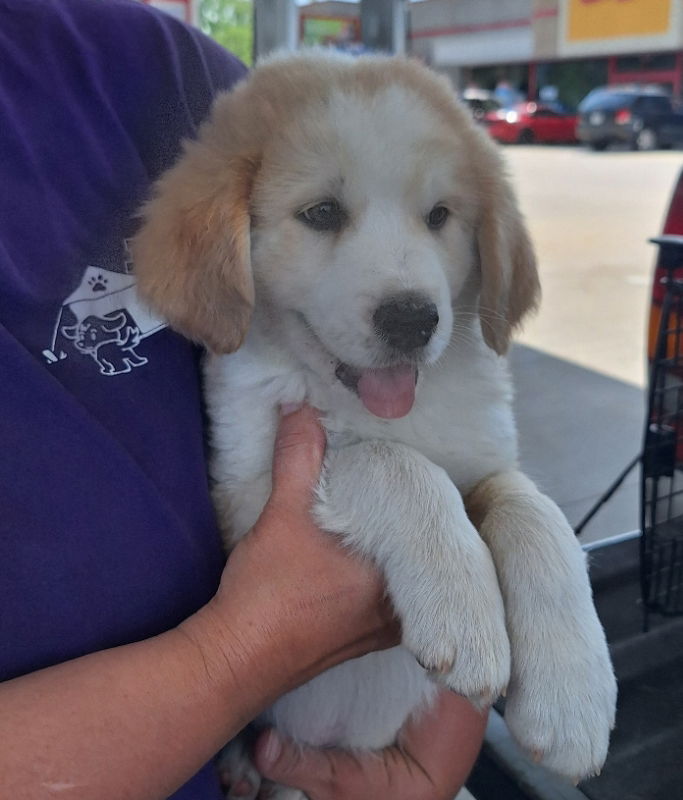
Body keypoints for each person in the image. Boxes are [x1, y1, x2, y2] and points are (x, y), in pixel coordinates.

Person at [0, 1, 488, 797]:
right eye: (322, 215)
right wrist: (233, 660)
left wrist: (438, 735)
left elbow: (449, 375)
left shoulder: (147, 67)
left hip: (343, 750)